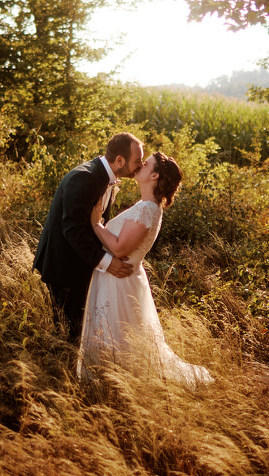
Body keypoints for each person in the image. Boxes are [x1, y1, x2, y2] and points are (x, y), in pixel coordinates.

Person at [77, 151, 213, 387]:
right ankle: (107, 383)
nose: (140, 164)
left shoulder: (148, 209)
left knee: (118, 340)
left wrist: (97, 225)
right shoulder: (145, 206)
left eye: (146, 163)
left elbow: (119, 248)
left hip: (119, 281)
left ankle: (117, 384)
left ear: (155, 175)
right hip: (117, 277)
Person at [33, 132, 144, 342]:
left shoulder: (105, 177)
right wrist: (107, 263)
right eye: (137, 161)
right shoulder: (83, 178)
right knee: (69, 334)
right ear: (119, 160)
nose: (141, 165)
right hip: (64, 267)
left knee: (79, 331)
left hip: (81, 264)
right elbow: (73, 230)